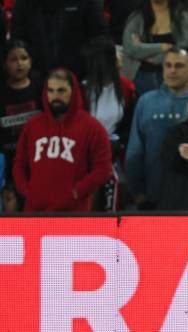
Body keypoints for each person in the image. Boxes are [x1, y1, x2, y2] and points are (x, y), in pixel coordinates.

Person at [12, 68, 113, 212]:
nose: (55, 96)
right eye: (51, 91)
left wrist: (77, 191)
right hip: (35, 213)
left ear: (73, 91)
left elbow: (103, 168)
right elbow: (19, 164)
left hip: (73, 215)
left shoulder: (92, 127)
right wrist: (27, 191)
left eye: (61, 90)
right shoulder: (32, 126)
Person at [125, 47, 188, 210]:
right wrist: (137, 191)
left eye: (179, 66)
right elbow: (135, 151)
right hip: (152, 196)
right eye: (168, 65)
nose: (172, 71)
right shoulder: (146, 102)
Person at [82, 36, 136, 211]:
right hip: (85, 154)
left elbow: (128, 125)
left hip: (113, 153)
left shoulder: (126, 88)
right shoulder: (83, 89)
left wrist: (118, 144)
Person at [10, 0, 107, 78]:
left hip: (78, 79)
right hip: (37, 80)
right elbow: (17, 42)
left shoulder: (86, 3)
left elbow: (100, 38)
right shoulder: (23, 4)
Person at [0, 39, 42, 211]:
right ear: (4, 64)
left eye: (24, 58)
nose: (20, 64)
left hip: (36, 158)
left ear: (31, 61)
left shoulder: (40, 89)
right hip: (7, 159)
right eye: (14, 59)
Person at [122, 0, 188, 96]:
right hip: (140, 76)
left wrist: (147, 55)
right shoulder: (137, 18)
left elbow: (186, 46)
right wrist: (161, 47)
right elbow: (130, 48)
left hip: (174, 75)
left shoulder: (183, 17)